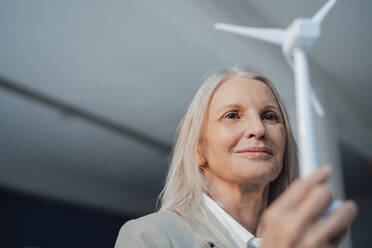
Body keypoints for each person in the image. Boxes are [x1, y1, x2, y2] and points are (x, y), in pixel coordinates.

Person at [115, 66, 357, 248]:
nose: (258, 129)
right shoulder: (149, 236)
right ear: (199, 151)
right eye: (232, 115)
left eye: (270, 116)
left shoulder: (310, 238)